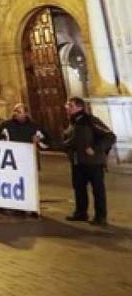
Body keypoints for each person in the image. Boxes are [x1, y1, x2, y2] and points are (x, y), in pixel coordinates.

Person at [62, 97, 116, 226]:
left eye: (70, 105)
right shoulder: (73, 123)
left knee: (98, 190)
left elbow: (110, 136)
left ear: (79, 107)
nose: (67, 107)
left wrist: (96, 149)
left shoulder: (90, 120)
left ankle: (100, 216)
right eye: (67, 105)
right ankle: (81, 213)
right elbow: (70, 141)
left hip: (93, 162)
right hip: (77, 161)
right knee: (79, 188)